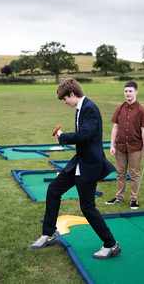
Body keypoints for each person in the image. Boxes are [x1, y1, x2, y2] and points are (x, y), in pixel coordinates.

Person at [31, 78, 121, 259]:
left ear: (72, 94)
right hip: (79, 161)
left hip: (90, 165)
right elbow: (83, 138)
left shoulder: (90, 108)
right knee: (54, 189)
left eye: (65, 99)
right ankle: (49, 233)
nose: (65, 103)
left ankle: (111, 244)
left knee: (87, 207)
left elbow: (85, 135)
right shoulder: (80, 108)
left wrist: (63, 136)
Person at [106, 81, 144, 209]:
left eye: (130, 91)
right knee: (120, 173)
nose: (128, 94)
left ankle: (133, 199)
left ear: (136, 92)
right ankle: (119, 197)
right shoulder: (120, 108)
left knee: (134, 174)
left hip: (135, 147)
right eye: (126, 91)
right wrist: (112, 145)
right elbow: (115, 127)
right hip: (120, 147)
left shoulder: (142, 110)